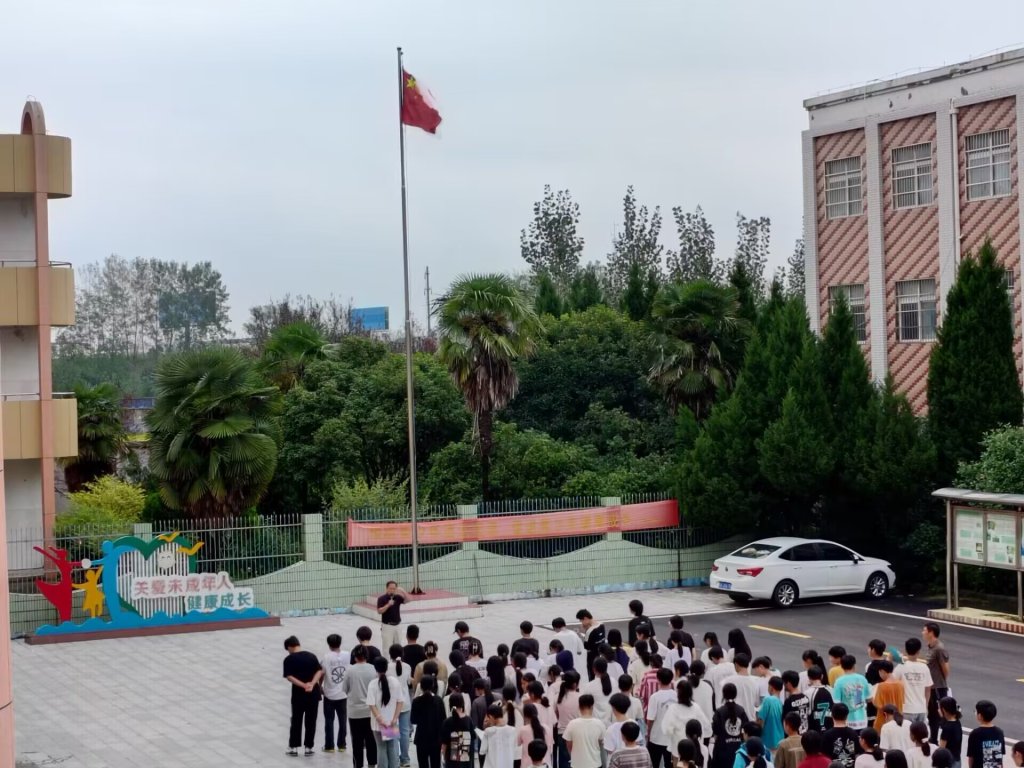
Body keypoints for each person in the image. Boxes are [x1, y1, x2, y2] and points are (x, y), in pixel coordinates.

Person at [283, 635, 324, 757]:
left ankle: (294, 747)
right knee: (311, 721)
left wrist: (303, 685)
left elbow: (289, 676)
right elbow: (319, 671)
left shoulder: (289, 659)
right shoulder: (312, 656)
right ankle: (308, 747)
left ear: (290, 647)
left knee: (296, 720)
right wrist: (312, 683)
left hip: (298, 695)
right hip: (313, 694)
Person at [344, 645, 380, 768]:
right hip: (370, 711)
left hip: (354, 712)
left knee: (357, 741)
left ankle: (358, 765)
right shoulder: (373, 669)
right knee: (371, 740)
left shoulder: (349, 670)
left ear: (354, 656)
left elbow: (345, 689)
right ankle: (372, 764)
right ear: (366, 656)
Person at [367, 656, 405, 768]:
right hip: (391, 722)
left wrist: (380, 719)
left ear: (375, 668)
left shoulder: (373, 684)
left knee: (381, 748)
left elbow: (371, 704)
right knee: (392, 747)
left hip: (378, 724)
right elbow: (400, 701)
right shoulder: (394, 682)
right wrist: (394, 719)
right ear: (387, 667)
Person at [660, 679, 712, 757]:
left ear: (678, 694)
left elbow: (666, 730)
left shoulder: (673, 709)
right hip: (694, 750)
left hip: (678, 749)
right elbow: (706, 725)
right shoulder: (696, 707)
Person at [921, 624, 949, 744]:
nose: (922, 632)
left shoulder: (939, 649)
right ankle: (933, 738)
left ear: (931, 632)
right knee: (932, 715)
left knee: (938, 715)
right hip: (930, 687)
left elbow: (945, 669)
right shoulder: (931, 647)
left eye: (924, 630)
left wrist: (939, 682)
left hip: (937, 687)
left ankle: (939, 739)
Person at [322, 633, 349, 754]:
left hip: (329, 693)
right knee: (342, 720)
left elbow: (322, 673)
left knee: (329, 720)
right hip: (343, 693)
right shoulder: (347, 655)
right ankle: (342, 744)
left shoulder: (326, 657)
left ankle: (329, 746)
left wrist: (319, 686)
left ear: (329, 644)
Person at [893, 639, 932, 724]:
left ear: (905, 651)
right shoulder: (924, 667)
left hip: (906, 709)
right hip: (921, 709)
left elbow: (892, 683)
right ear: (918, 651)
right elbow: (928, 690)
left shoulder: (901, 667)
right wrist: (925, 706)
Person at [645, 668, 678, 768]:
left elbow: (650, 719)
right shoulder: (676, 695)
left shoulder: (655, 697)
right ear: (671, 679)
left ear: (658, 680)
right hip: (672, 737)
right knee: (670, 764)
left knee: (654, 763)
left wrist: (648, 734)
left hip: (656, 737)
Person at [413, 675, 448, 768]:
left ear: (421, 686)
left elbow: (413, 720)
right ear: (433, 685)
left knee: (422, 764)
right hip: (435, 739)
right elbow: (443, 720)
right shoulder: (438, 700)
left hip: (421, 738)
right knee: (436, 764)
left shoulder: (416, 701)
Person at [712, 683, 749, 768]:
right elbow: (746, 729)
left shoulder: (719, 712)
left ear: (723, 694)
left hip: (722, 752)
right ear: (736, 694)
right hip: (738, 752)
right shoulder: (741, 710)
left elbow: (715, 733)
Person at [564, 694, 606, 768]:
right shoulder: (599, 724)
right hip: (595, 764)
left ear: (579, 707)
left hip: (577, 765)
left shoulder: (572, 724)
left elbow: (568, 744)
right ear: (592, 707)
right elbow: (601, 742)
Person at [390, 644, 414, 767]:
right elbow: (409, 682)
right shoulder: (407, 667)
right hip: (405, 703)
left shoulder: (387, 667)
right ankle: (405, 759)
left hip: (390, 705)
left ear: (390, 655)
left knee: (392, 732)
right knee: (405, 732)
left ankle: (393, 759)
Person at [833, 656, 871, 731]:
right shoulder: (862, 679)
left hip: (846, 721)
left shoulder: (839, 681)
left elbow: (836, 702)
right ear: (854, 665)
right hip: (862, 720)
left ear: (841, 666)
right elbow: (869, 699)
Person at [477, 702, 519, 768]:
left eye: (488, 718)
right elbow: (515, 751)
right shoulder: (513, 730)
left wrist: (485, 726)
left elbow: (482, 752)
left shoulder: (488, 731)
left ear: (491, 717)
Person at [965, 700, 1004, 768]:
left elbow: (971, 757)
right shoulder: (999, 732)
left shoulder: (975, 734)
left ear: (980, 716)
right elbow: (1000, 757)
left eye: (976, 711)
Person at [555, 672, 581, 768]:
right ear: (575, 684)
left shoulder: (558, 697)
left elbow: (556, 714)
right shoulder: (580, 697)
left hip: (562, 732)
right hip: (577, 732)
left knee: (564, 762)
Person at [442, 693, 475, 768]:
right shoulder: (468, 720)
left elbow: (444, 744)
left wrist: (443, 757)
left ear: (450, 704)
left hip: (452, 760)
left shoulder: (447, 722)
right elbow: (472, 740)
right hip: (466, 759)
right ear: (462, 703)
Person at [723, 653, 760, 719]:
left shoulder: (728, 680)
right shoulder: (756, 681)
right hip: (750, 719)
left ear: (736, 664)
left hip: (735, 718)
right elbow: (757, 703)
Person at [870, 661, 904, 730]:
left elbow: (878, 704)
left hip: (883, 721)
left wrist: (872, 699)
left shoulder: (881, 686)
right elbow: (902, 701)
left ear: (882, 671)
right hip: (898, 720)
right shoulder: (901, 684)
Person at [821, 704, 857, 768]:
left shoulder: (826, 735)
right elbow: (857, 753)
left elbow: (824, 756)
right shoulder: (853, 733)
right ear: (847, 716)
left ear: (832, 715)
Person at [520, 702, 553, 768]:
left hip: (527, 764)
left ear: (525, 716)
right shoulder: (547, 728)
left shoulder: (523, 729)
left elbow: (517, 744)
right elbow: (550, 746)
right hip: (545, 763)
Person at [378, 581, 409, 653]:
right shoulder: (382, 598)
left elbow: (408, 600)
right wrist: (388, 605)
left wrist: (403, 591)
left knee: (398, 646)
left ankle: (398, 659)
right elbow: (379, 611)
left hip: (398, 625)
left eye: (394, 589)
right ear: (387, 588)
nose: (392, 590)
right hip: (387, 626)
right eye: (390, 588)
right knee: (387, 647)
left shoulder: (397, 597)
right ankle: (387, 660)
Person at [581, 656, 614, 723]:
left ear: (594, 669)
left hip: (596, 723)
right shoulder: (615, 682)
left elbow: (583, 704)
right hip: (611, 721)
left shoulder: (589, 686)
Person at [577, 609, 607, 679]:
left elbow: (586, 647)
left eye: (581, 621)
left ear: (585, 618)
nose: (581, 623)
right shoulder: (602, 625)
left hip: (592, 658)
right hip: (602, 654)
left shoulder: (589, 631)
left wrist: (585, 631)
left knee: (593, 676)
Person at [758, 677, 785, 752]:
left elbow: (761, 720)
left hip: (768, 741)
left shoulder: (767, 700)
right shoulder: (781, 703)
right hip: (780, 740)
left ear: (771, 687)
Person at [805, 668, 833, 732]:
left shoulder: (807, 693)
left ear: (809, 678)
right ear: (822, 676)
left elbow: (808, 713)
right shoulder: (831, 690)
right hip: (830, 729)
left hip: (814, 731)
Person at [936, 697, 962, 768]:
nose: (938, 710)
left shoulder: (947, 728)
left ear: (944, 710)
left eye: (939, 708)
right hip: (957, 759)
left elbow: (942, 749)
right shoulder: (957, 721)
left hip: (948, 762)